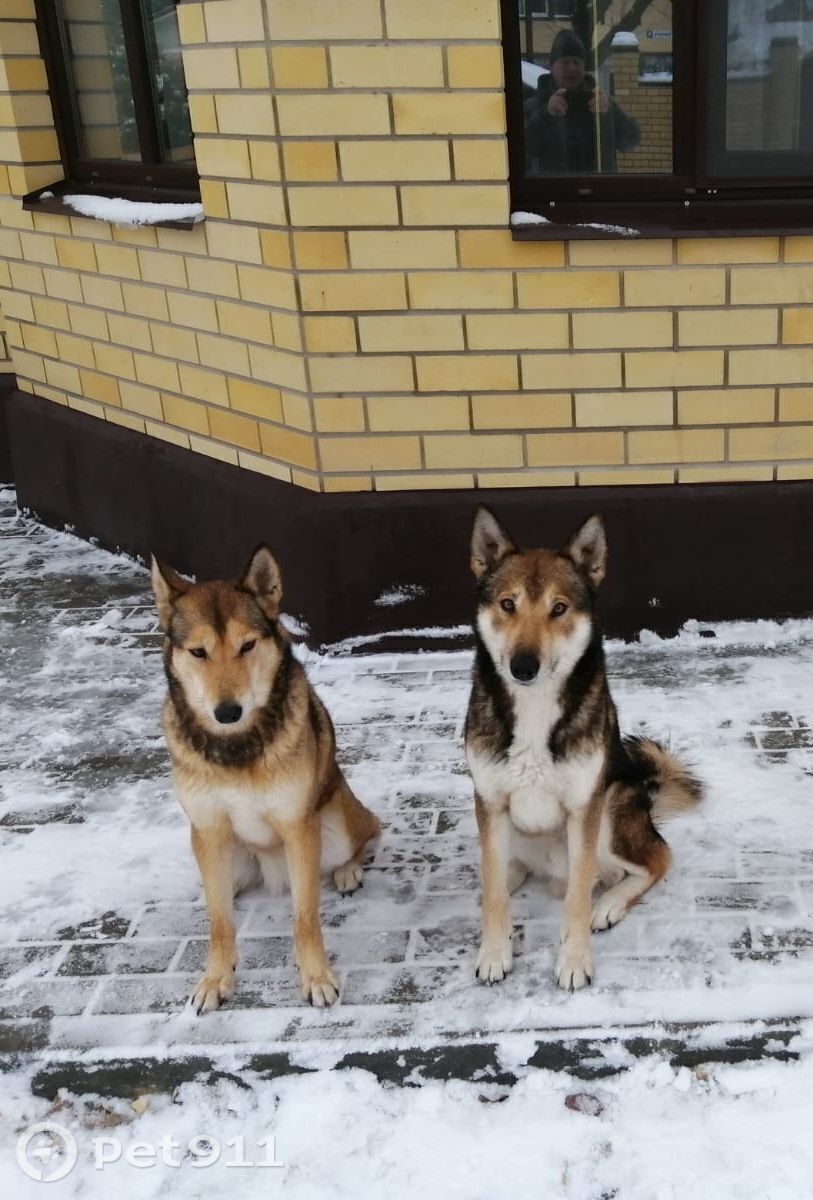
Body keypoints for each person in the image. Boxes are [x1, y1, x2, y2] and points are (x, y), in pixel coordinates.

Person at [524, 29, 640, 175]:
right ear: (552, 67)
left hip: (600, 192)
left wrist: (610, 112)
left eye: (577, 62)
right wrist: (546, 116)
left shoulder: (601, 103)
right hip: (551, 193)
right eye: (565, 62)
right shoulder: (532, 107)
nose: (572, 68)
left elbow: (630, 141)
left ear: (584, 67)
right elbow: (522, 154)